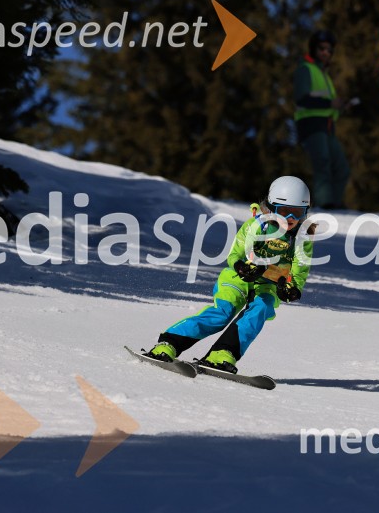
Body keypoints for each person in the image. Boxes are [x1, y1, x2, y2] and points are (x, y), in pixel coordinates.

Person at [145, 176, 314, 373]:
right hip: (238, 278)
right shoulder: (258, 226)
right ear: (270, 207)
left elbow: (300, 266)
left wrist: (294, 288)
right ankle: (169, 343)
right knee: (222, 314)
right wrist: (241, 267)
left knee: (259, 311)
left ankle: (223, 353)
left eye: (297, 213)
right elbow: (235, 253)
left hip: (268, 284)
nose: (290, 219)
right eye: (284, 211)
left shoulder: (302, 238)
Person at [293, 29, 350, 209]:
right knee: (323, 163)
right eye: (322, 48)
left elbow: (328, 104)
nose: (326, 53)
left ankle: (334, 204)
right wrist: (329, 104)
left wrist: (340, 107)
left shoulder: (323, 73)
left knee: (341, 167)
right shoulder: (305, 69)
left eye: (329, 50)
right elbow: (302, 98)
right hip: (311, 125)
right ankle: (326, 205)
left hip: (327, 126)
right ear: (313, 49)